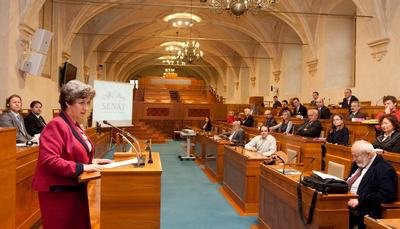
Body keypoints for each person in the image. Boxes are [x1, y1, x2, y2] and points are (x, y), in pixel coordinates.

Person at [32, 80, 111, 229]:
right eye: (81, 102)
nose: (86, 107)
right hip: (60, 194)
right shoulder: (57, 125)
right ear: (68, 102)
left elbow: (72, 153)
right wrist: (83, 167)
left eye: (88, 103)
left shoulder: (74, 125)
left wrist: (93, 161)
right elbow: (49, 160)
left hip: (75, 189)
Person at [347, 140, 397, 229]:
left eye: (356, 156)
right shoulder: (358, 163)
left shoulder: (384, 169)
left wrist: (360, 200)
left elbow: (387, 195)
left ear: (369, 155)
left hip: (365, 209)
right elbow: (350, 180)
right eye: (352, 155)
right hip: (347, 200)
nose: (353, 159)